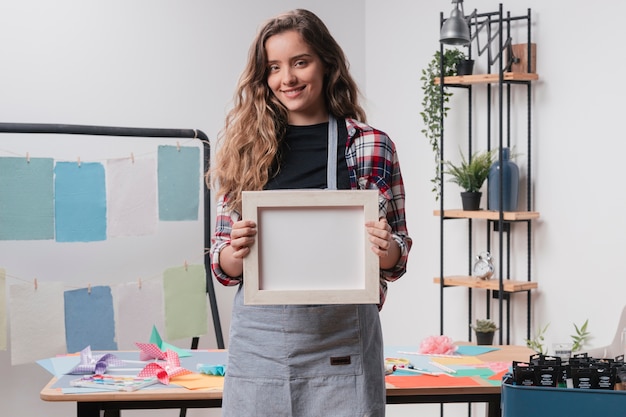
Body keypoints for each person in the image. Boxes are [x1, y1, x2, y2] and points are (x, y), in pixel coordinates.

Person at [209, 9, 412, 417]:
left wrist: (385, 246)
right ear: (263, 77)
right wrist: (236, 249)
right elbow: (222, 264)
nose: (288, 78)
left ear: (325, 63)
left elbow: (397, 259)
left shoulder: (371, 145)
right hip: (260, 348)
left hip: (343, 344)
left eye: (300, 62)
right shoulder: (245, 148)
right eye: (274, 68)